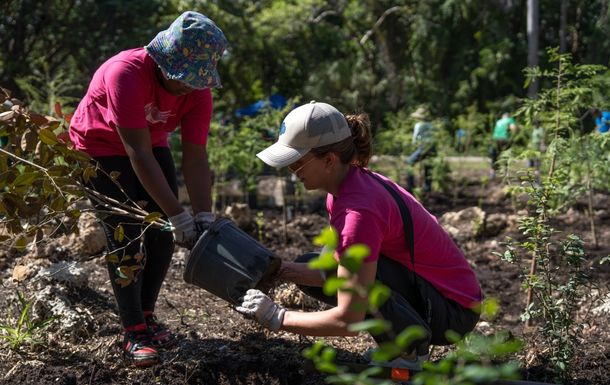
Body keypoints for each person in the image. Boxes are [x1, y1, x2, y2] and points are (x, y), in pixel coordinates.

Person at [236, 101, 482, 371]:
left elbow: (348, 320)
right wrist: (276, 269)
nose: (292, 173)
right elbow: (327, 272)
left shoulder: (359, 212)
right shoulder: (345, 189)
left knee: (363, 274)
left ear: (329, 160)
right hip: (435, 295)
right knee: (314, 261)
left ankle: (407, 352)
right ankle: (399, 342)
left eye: (296, 164)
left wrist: (275, 316)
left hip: (453, 313)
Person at [69, 11, 227, 367]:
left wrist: (201, 216)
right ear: (163, 61)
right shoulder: (125, 73)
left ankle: (148, 314)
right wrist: (176, 213)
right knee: (125, 235)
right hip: (99, 146)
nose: (189, 85)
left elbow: (196, 155)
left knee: (164, 234)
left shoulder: (197, 92)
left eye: (196, 79)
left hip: (149, 142)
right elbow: (136, 152)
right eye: (183, 77)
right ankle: (133, 330)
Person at [406, 107, 437, 192]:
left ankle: (410, 186)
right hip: (433, 148)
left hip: (423, 147)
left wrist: (415, 148)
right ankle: (428, 188)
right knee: (428, 167)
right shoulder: (431, 125)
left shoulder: (418, 125)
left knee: (409, 162)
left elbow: (415, 140)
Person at [489, 112, 517, 178]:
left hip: (495, 139)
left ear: (502, 117)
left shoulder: (498, 121)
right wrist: (513, 137)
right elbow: (513, 128)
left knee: (494, 156)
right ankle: (505, 173)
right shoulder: (510, 120)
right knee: (506, 155)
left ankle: (492, 173)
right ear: (508, 116)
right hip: (504, 139)